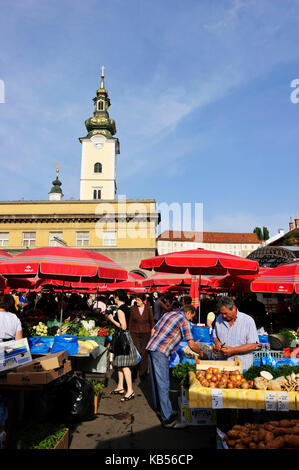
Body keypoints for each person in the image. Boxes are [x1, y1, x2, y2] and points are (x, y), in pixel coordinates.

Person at [146, 304, 204, 428]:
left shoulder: (169, 313)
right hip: (160, 351)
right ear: (189, 313)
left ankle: (161, 409)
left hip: (152, 347)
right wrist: (201, 353)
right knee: (163, 384)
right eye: (192, 317)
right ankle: (167, 419)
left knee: (156, 382)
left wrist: (156, 346)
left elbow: (153, 330)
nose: (191, 320)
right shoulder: (185, 321)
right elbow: (192, 344)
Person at [106, 290, 139, 402]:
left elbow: (123, 326)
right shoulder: (126, 307)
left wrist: (111, 319)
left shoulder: (120, 310)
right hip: (125, 337)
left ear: (116, 297)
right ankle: (120, 387)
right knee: (120, 364)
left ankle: (130, 391)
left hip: (122, 338)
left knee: (124, 365)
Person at [213, 296, 261, 371]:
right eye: (222, 313)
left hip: (243, 366)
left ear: (234, 308)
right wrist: (217, 343)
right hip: (223, 366)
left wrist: (233, 350)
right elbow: (215, 337)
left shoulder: (248, 321)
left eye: (225, 313)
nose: (223, 316)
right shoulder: (219, 319)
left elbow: (254, 345)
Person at [129, 293, 154, 380]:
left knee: (144, 353)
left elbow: (152, 322)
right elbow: (130, 322)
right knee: (136, 352)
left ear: (143, 300)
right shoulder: (132, 309)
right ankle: (134, 372)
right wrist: (129, 334)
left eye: (138, 300)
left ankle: (143, 373)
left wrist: (152, 333)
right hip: (134, 333)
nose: (137, 301)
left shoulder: (148, 309)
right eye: (136, 299)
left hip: (146, 333)